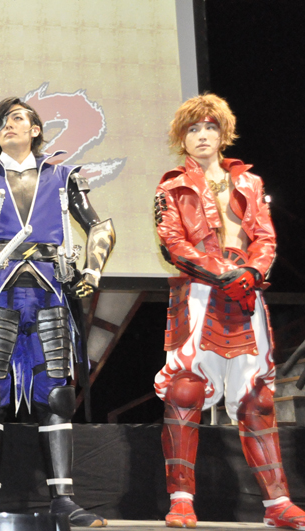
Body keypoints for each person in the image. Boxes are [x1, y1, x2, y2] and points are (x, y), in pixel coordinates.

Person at [0, 97, 114, 527]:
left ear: (36, 129)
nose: (9, 125)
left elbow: (100, 227)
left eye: (18, 118)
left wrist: (92, 271)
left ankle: (64, 499)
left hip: (50, 291)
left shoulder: (62, 176)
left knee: (57, 394)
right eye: (1, 121)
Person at [154, 93, 305, 529]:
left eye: (210, 127)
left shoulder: (250, 183)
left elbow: (265, 238)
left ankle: (277, 503)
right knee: (184, 391)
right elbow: (173, 244)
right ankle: (181, 500)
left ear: (223, 133)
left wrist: (252, 272)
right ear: (182, 138)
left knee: (257, 398)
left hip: (245, 294)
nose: (202, 135)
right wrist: (222, 272)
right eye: (193, 129)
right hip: (199, 293)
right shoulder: (171, 186)